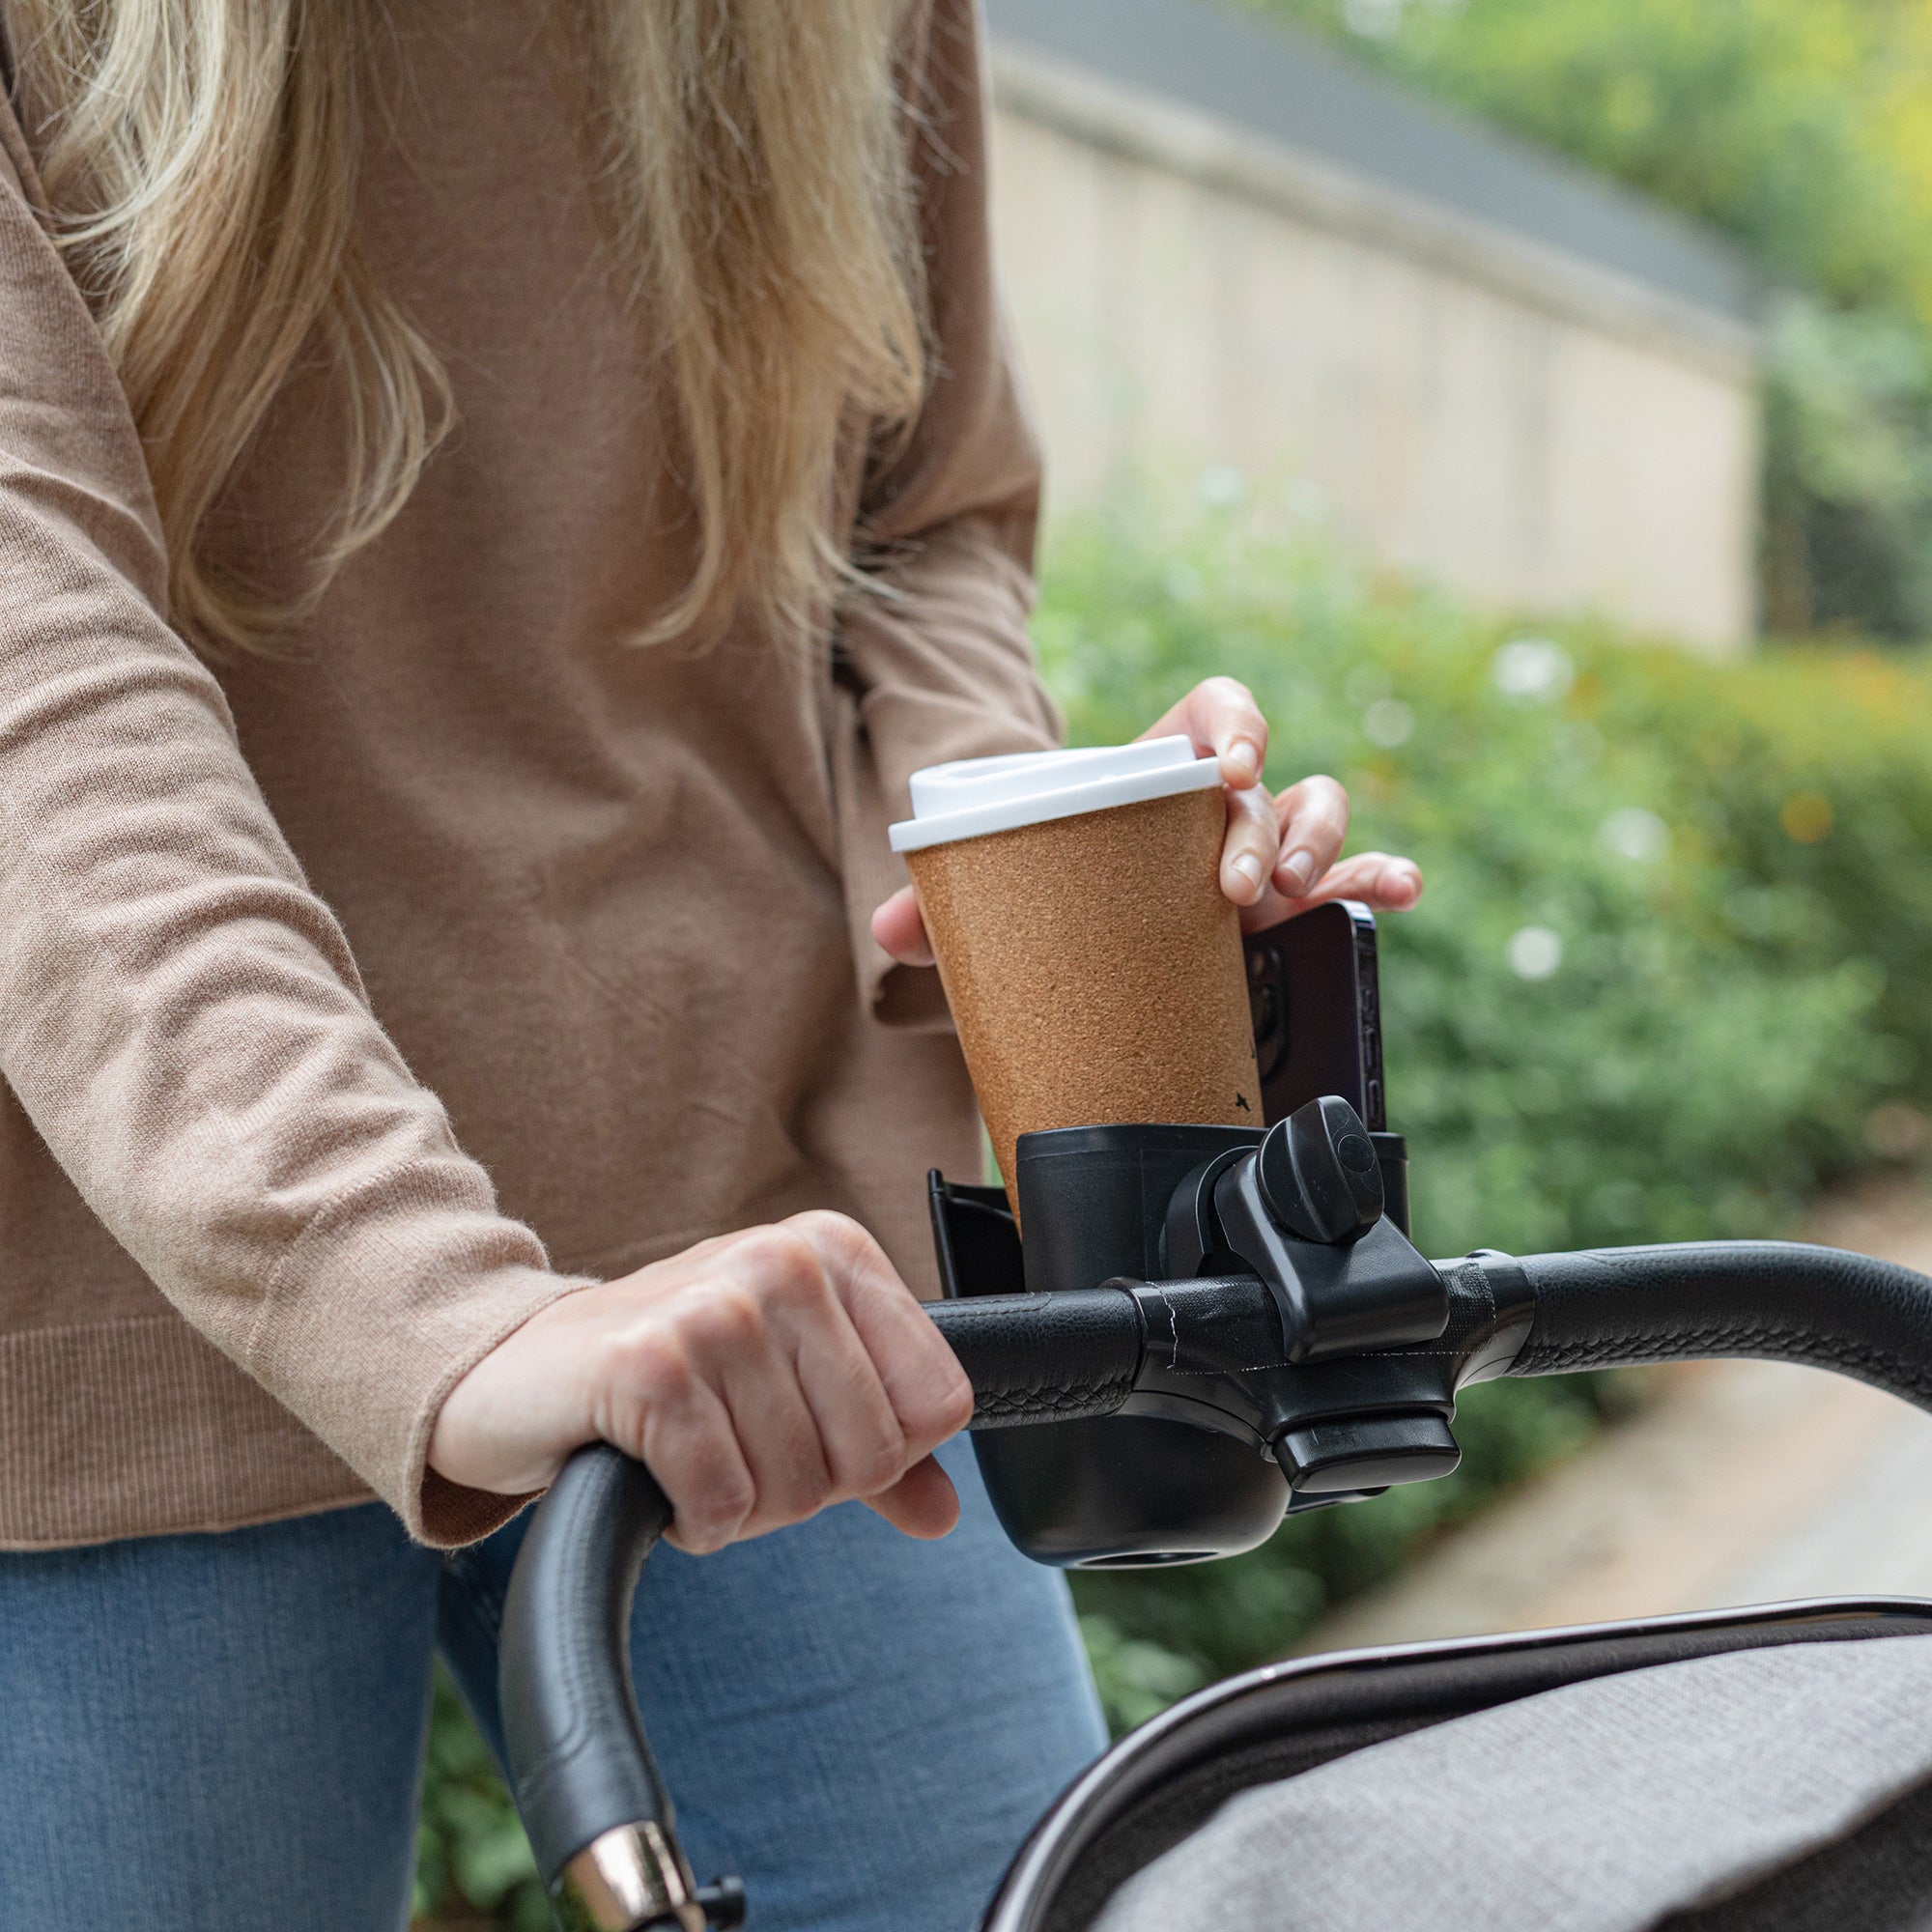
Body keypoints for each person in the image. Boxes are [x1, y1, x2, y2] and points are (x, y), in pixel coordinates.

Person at [0, 3, 1421, 1927]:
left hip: (759, 1236)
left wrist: (1025, 866)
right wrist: (427, 1299)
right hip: (100, 1305)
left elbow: (915, 520)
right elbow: (38, 679)